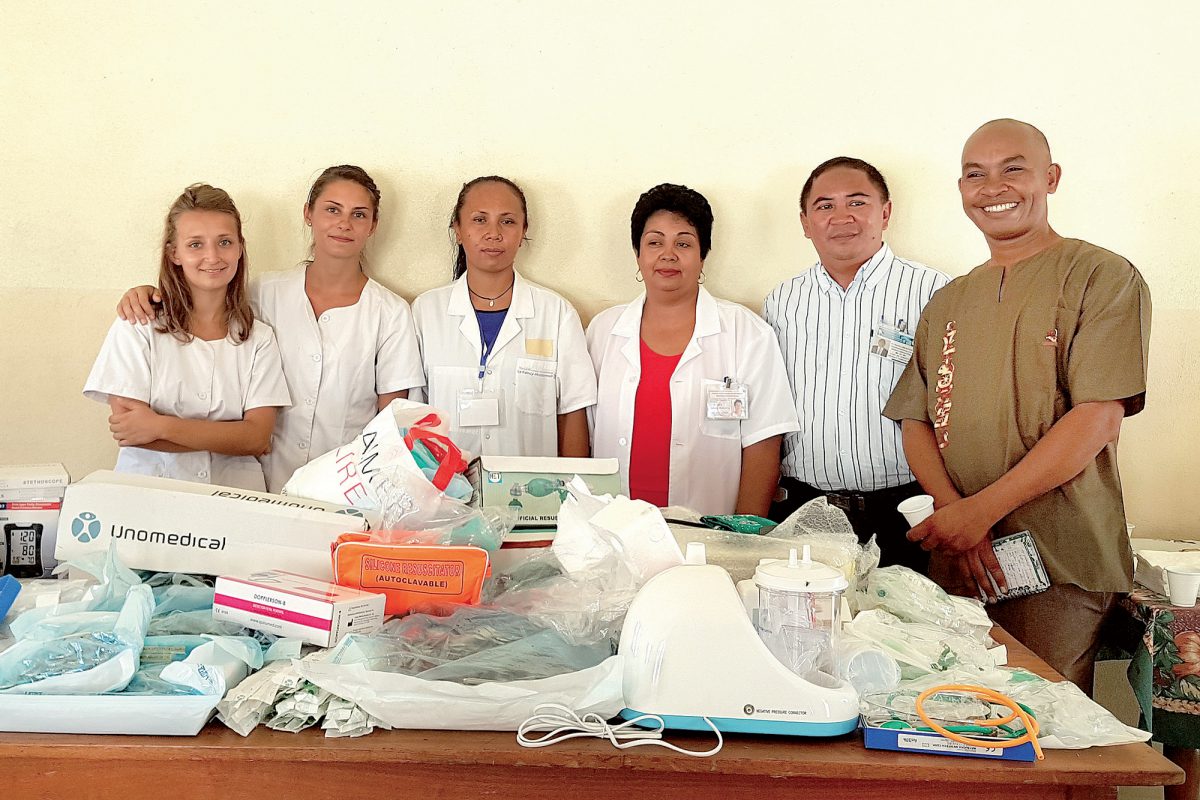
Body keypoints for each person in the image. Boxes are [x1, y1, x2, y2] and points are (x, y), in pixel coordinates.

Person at [884, 119, 1152, 693]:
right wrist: (955, 514)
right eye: (975, 175)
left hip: (1056, 558)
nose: (992, 187)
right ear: (961, 192)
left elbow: (1098, 416)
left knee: (1047, 735)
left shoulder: (1100, 276)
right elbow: (916, 418)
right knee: (954, 723)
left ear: (1050, 178)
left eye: (1013, 169)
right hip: (957, 556)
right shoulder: (948, 300)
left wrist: (977, 515)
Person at [117, 165, 425, 492]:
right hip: (258, 485)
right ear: (308, 213)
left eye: (359, 214)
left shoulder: (390, 312)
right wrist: (147, 293)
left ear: (373, 225)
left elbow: (390, 424)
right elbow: (201, 306)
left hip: (345, 490)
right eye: (332, 210)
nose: (344, 223)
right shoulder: (263, 292)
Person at [763, 157, 949, 569]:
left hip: (908, 509)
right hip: (805, 509)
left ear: (885, 213)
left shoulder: (933, 291)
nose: (841, 217)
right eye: (825, 206)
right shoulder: (783, 301)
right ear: (805, 222)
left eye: (857, 202)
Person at [588, 183, 798, 516]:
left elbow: (763, 448)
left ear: (703, 255)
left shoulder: (747, 333)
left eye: (683, 243)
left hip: (709, 534)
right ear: (637, 253)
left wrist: (740, 539)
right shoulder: (603, 332)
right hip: (614, 526)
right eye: (654, 242)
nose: (668, 255)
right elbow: (584, 437)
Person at [85, 184, 290, 491]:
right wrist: (230, 436)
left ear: (239, 247)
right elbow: (131, 430)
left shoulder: (259, 338)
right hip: (148, 500)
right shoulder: (139, 324)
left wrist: (161, 425)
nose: (212, 256)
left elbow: (257, 437)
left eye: (224, 242)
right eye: (195, 244)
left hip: (235, 500)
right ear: (174, 253)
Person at [411, 176, 596, 458]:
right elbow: (412, 415)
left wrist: (571, 492)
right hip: (444, 495)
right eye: (479, 220)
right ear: (458, 230)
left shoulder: (556, 314)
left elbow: (572, 413)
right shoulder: (425, 312)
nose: (493, 233)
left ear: (524, 231)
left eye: (507, 221)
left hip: (534, 495)